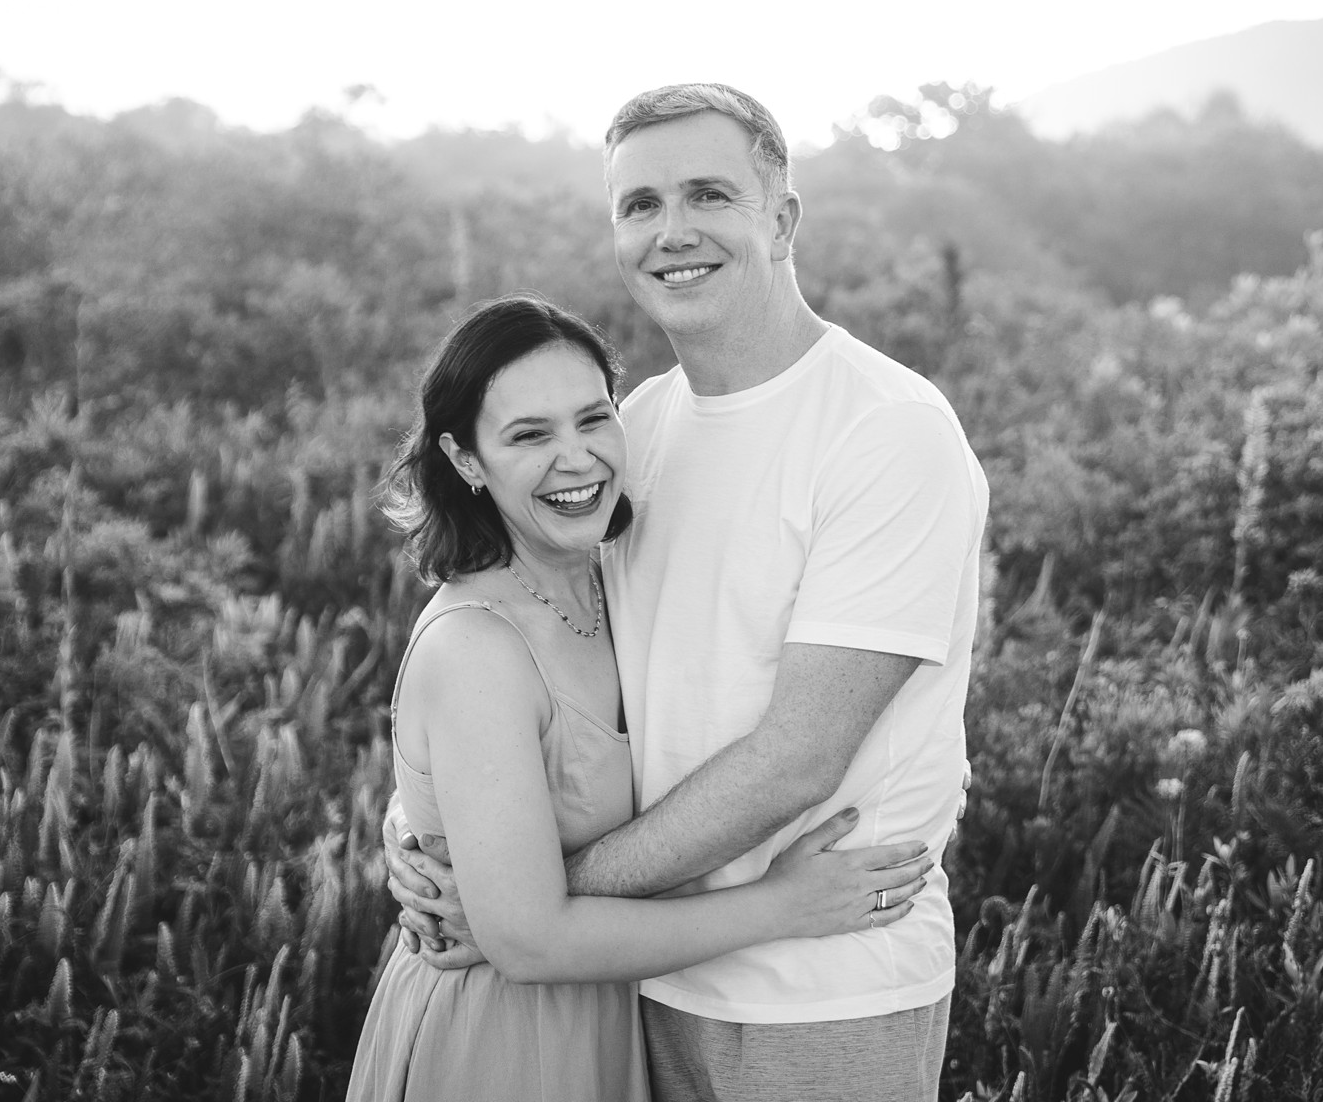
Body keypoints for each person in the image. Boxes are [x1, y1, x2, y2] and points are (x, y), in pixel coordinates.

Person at [387, 85, 990, 1101]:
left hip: (820, 984)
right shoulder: (635, 427)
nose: (672, 231)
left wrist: (520, 902)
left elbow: (798, 759)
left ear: (782, 220)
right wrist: (422, 829)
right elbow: (518, 657)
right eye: (640, 204)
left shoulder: (885, 430)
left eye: (709, 194)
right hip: (633, 988)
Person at [346, 293, 932, 1102]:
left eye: (593, 419)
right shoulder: (477, 647)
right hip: (501, 1042)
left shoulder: (610, 581)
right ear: (466, 459)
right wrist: (782, 907)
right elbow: (528, 943)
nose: (576, 457)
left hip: (613, 1021)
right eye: (528, 435)